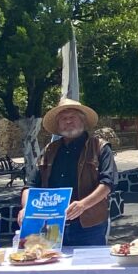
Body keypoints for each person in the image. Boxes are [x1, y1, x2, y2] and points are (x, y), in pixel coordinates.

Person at [18, 98, 117, 247]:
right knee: (51, 267)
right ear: (58, 125)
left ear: (83, 121)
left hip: (89, 226)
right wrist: (27, 208)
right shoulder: (49, 150)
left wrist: (83, 205)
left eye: (72, 117)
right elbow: (30, 186)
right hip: (52, 225)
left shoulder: (99, 148)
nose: (68, 121)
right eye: (63, 119)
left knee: (91, 269)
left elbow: (108, 183)